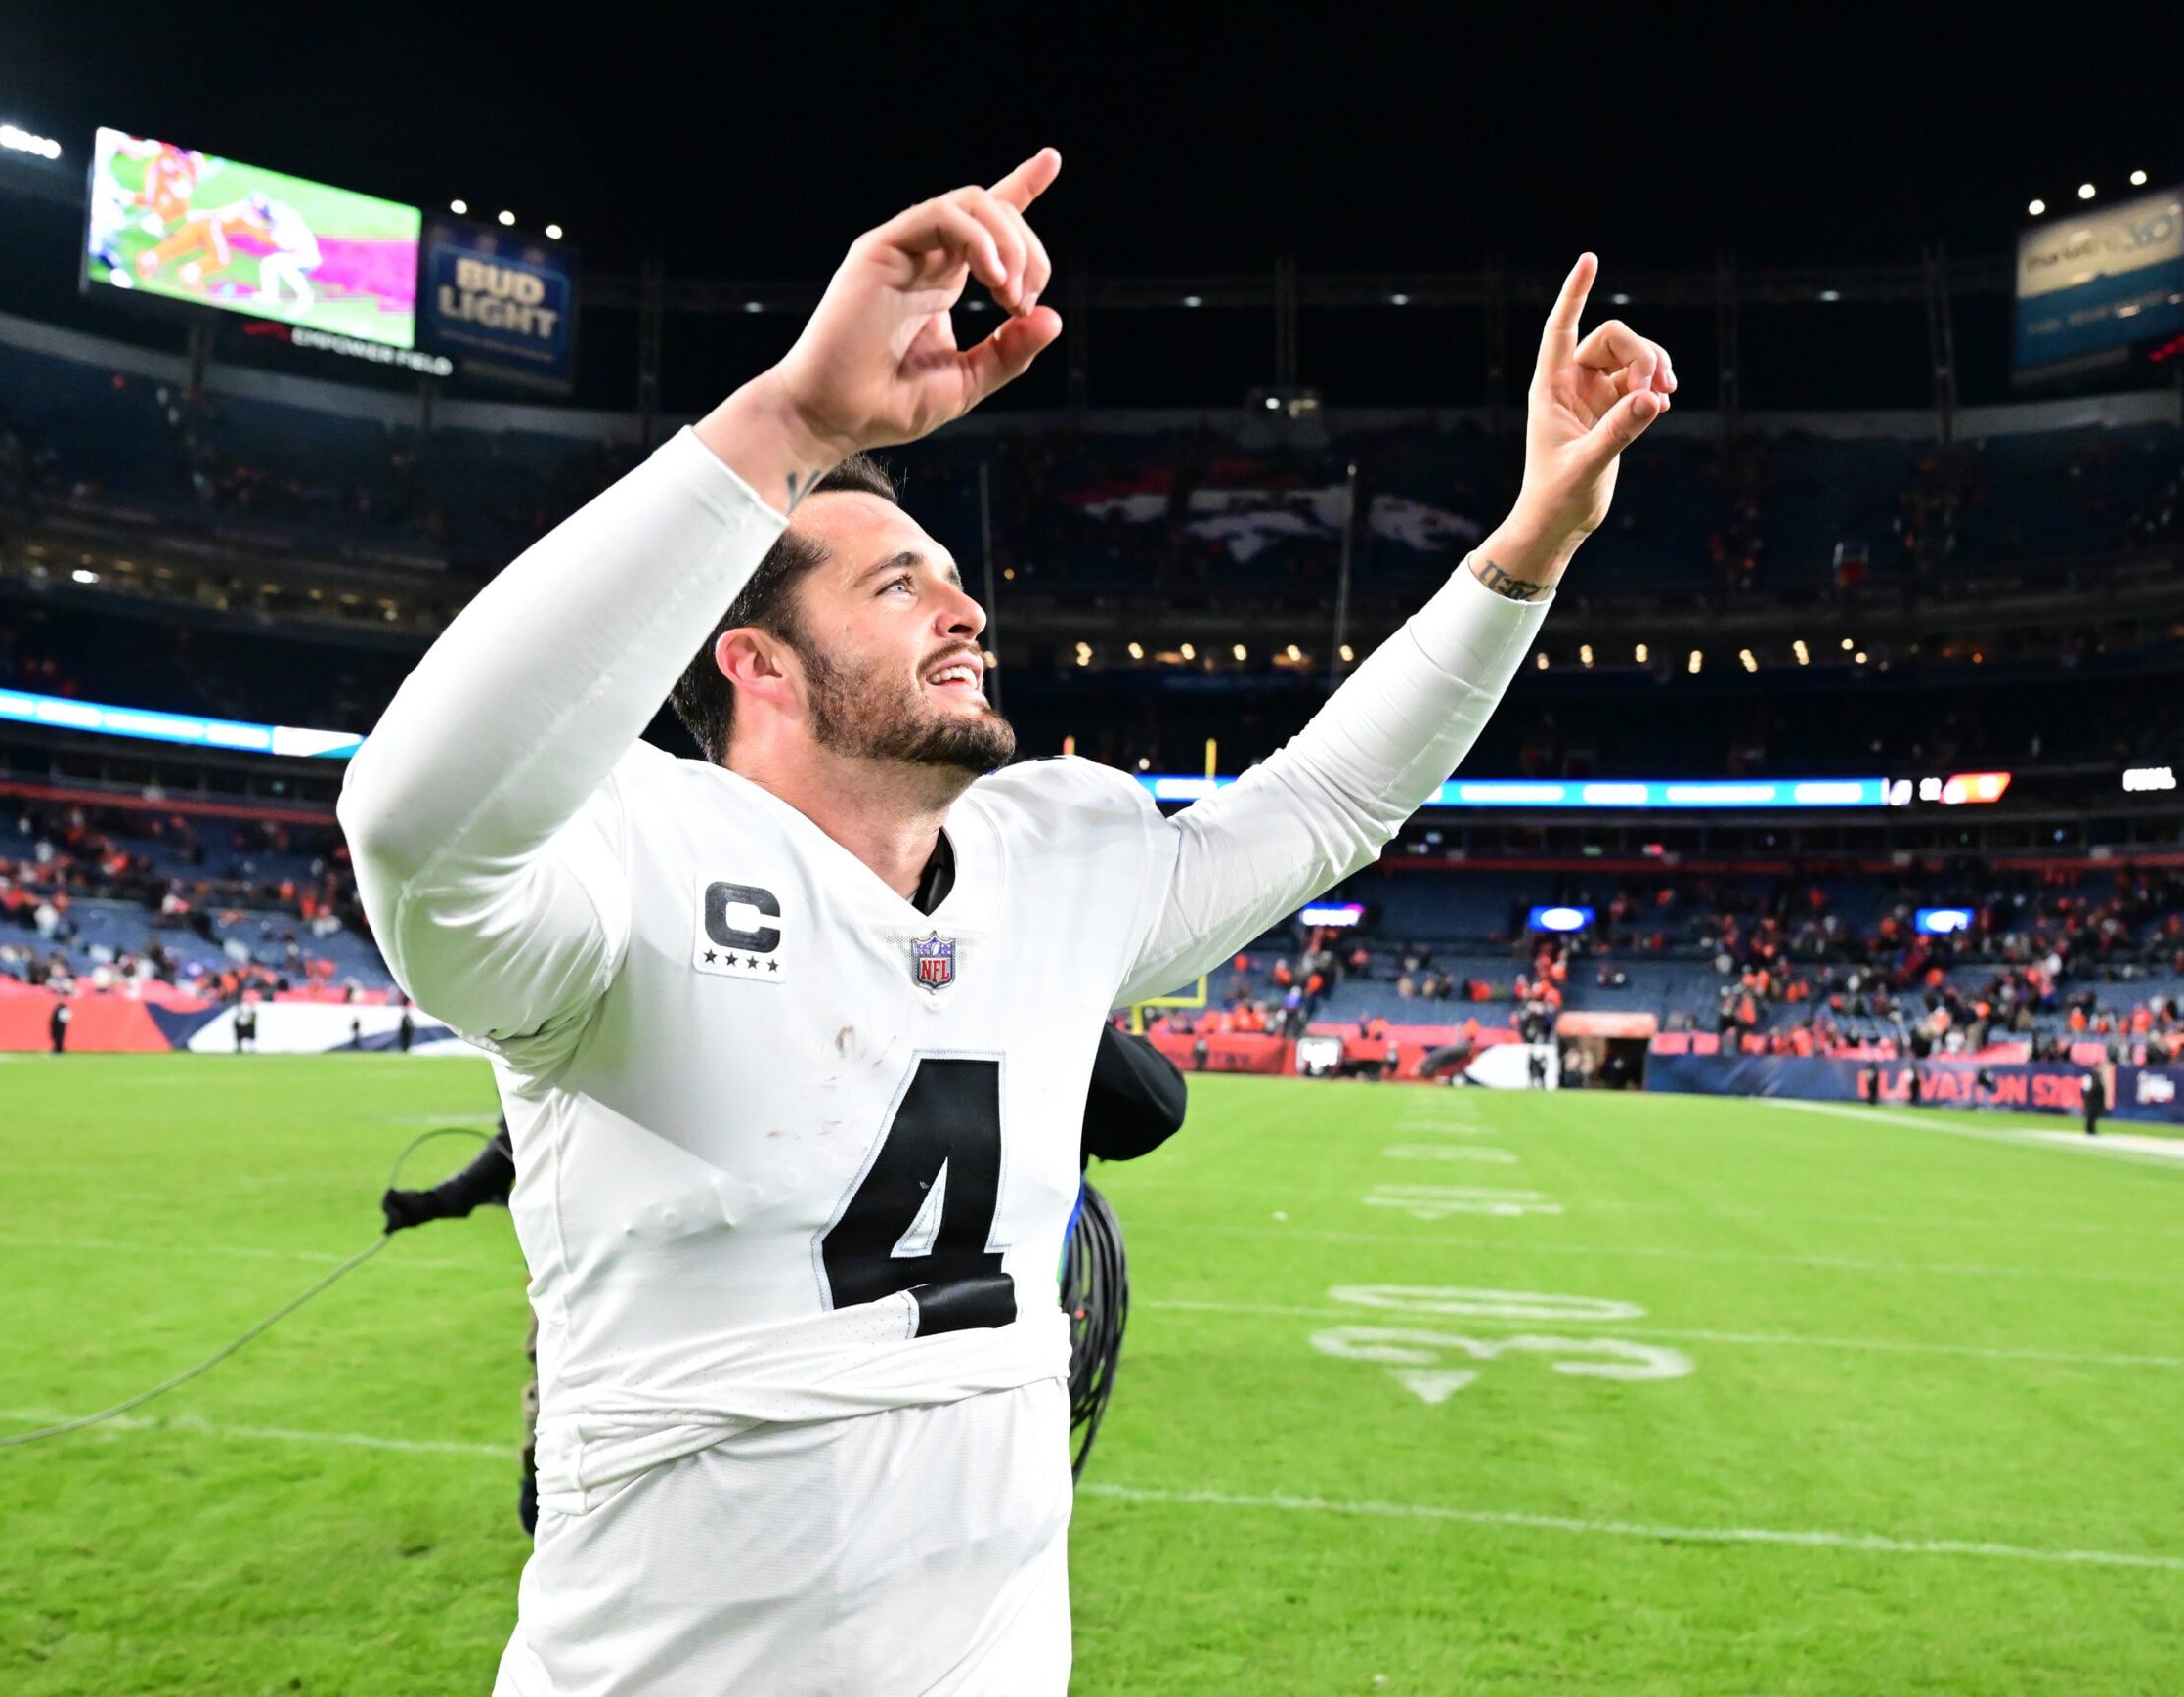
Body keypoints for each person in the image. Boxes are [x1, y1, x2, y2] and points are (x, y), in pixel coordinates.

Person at [337, 150, 1670, 1697]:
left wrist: (1534, 541)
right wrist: (794, 422)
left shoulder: (1055, 858)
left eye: (956, 580)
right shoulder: (626, 865)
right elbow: (412, 821)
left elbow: (1328, 802)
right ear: (758, 664)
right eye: (900, 586)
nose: (967, 609)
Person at [381, 1023, 1185, 1543]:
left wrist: (1037, 990)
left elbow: (1151, 1102)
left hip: (871, 1398)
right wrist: (435, 1202)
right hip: (672, 1354)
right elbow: (517, 1145)